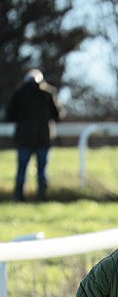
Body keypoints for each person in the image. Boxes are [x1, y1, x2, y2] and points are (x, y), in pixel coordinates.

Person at [5, 69, 62, 202]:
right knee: (42, 170)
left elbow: (9, 115)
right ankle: (41, 197)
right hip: (43, 138)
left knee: (22, 169)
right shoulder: (48, 93)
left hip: (24, 138)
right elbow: (58, 115)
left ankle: (19, 198)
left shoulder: (20, 93)